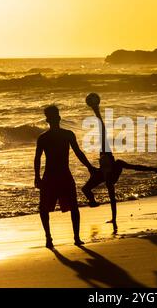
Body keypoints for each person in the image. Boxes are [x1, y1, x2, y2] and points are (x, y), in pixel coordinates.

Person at [83, 93, 157, 233]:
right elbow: (136, 167)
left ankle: (96, 109)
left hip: (104, 166)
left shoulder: (114, 170)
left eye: (105, 163)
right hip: (104, 160)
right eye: (103, 163)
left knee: (102, 131)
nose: (103, 163)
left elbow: (136, 167)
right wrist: (92, 201)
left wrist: (153, 169)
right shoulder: (108, 163)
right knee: (85, 189)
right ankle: (96, 110)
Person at [34, 105, 97, 248]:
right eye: (54, 116)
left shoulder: (62, 135)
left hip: (59, 175)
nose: (55, 118)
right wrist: (37, 177)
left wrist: (90, 167)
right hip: (53, 176)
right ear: (51, 119)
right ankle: (49, 238)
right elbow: (37, 158)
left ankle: (76, 237)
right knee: (44, 209)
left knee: (73, 207)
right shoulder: (46, 137)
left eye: (55, 116)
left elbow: (78, 153)